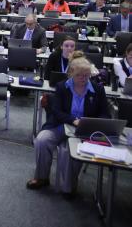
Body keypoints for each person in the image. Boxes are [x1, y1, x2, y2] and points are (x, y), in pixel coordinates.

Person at [26, 57, 109, 195]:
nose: (83, 78)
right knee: (42, 140)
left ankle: (68, 186)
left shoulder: (98, 90)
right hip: (60, 125)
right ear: (71, 73)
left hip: (84, 130)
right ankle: (41, 177)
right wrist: (73, 120)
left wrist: (92, 123)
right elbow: (56, 111)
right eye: (79, 75)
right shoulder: (62, 86)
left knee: (67, 151)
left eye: (86, 75)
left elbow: (105, 114)